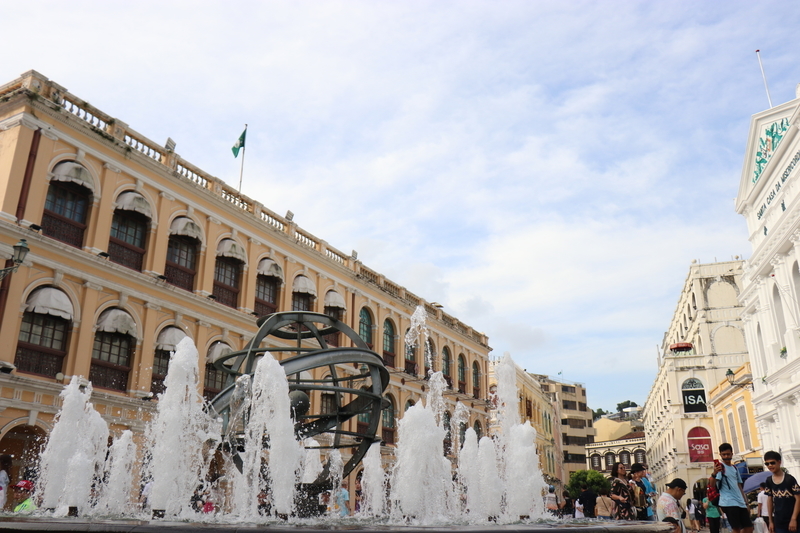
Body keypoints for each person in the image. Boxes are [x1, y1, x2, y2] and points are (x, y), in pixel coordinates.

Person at [710, 443, 753, 533]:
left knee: (749, 528)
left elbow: (739, 486)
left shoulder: (734, 468)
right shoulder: (720, 468)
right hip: (728, 502)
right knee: (736, 529)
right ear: (720, 455)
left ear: (732, 454)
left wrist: (746, 503)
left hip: (740, 502)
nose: (726, 456)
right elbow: (713, 484)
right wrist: (714, 473)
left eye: (728, 454)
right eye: (724, 454)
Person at [763, 450, 800, 533]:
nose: (770, 465)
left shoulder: (789, 479)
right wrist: (771, 521)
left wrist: (793, 519)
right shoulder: (769, 481)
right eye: (767, 463)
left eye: (772, 463)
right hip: (779, 521)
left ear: (779, 462)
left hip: (794, 520)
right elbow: (769, 501)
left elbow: (798, 499)